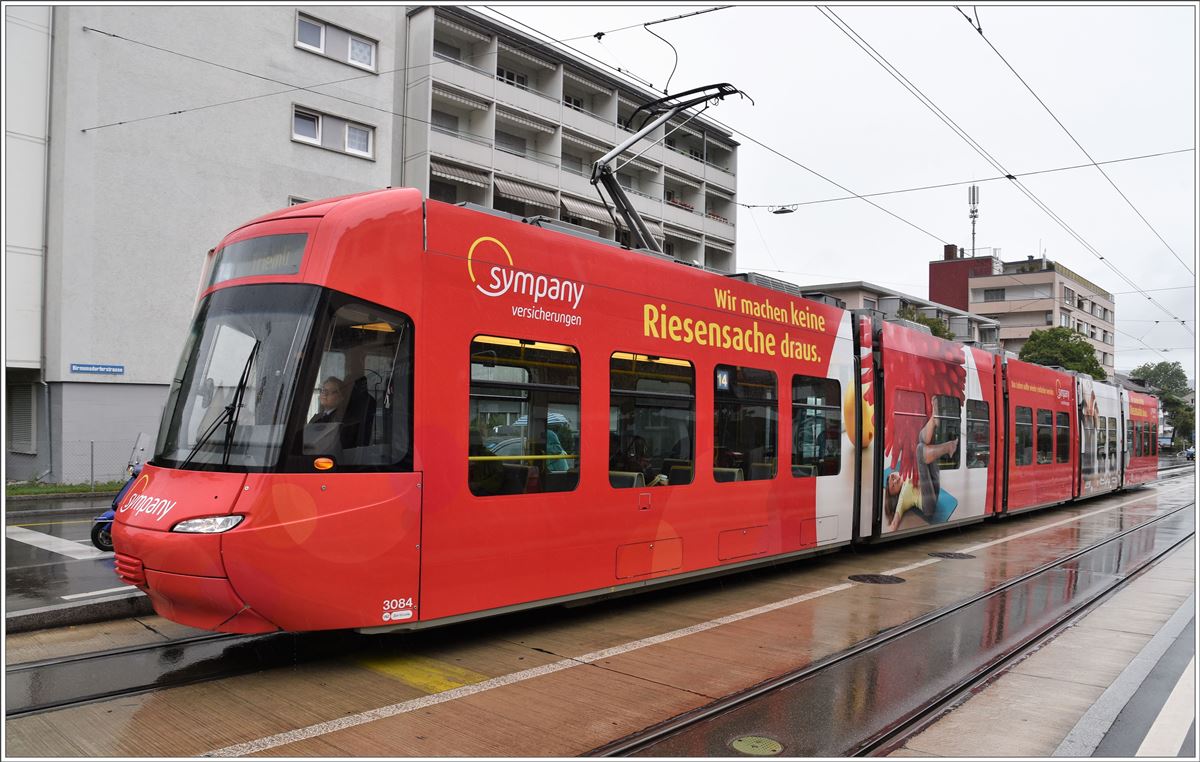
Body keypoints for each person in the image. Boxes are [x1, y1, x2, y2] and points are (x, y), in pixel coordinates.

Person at [884, 412, 959, 531]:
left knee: (921, 439)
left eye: (891, 478)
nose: (894, 481)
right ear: (896, 493)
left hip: (932, 484)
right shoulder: (903, 498)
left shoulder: (906, 470)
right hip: (928, 505)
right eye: (893, 486)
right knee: (919, 450)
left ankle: (934, 418)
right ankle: (948, 447)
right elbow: (894, 523)